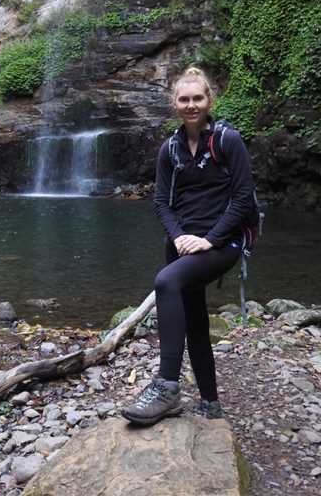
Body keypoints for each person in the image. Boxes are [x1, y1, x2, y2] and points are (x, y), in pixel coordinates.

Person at [121, 66, 256, 426]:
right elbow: (162, 202)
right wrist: (179, 236)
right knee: (195, 320)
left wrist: (208, 239)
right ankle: (210, 402)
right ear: (174, 104)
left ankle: (166, 388)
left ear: (210, 100)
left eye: (198, 98)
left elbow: (244, 199)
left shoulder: (229, 140)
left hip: (222, 243)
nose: (191, 105)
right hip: (183, 244)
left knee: (166, 282)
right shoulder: (170, 148)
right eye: (184, 99)